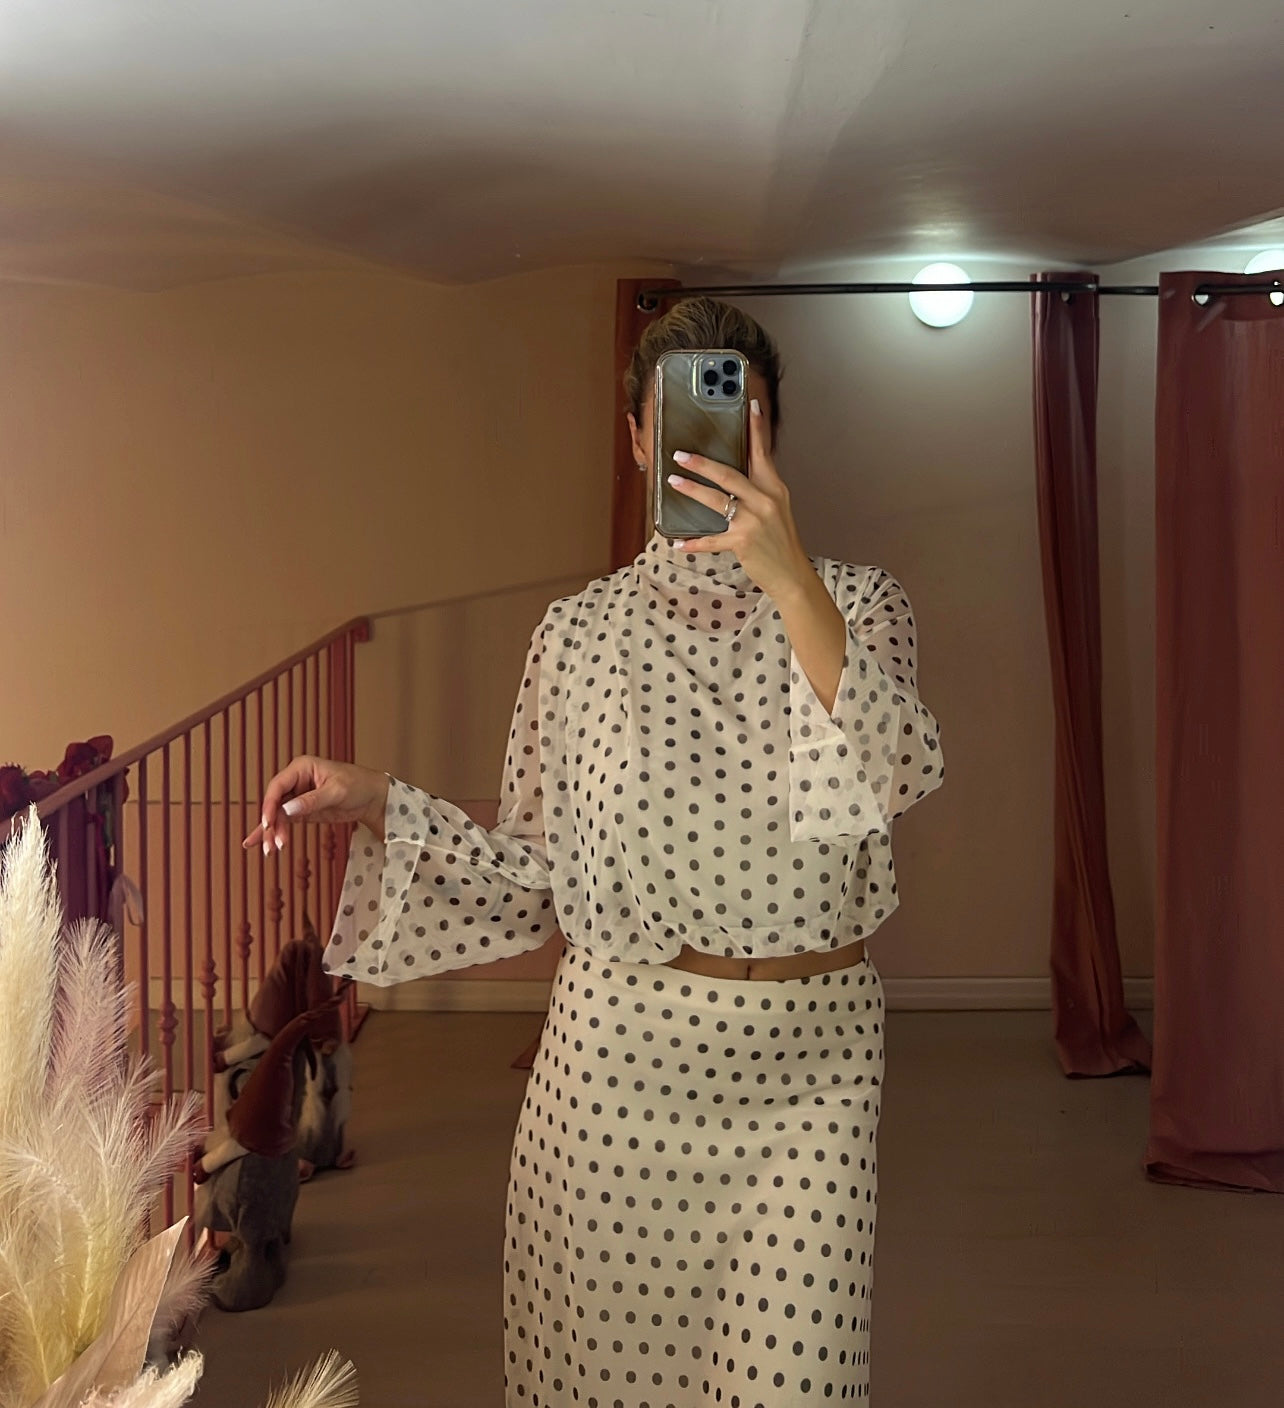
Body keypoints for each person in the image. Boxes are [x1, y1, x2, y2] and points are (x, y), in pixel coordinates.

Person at [246, 296, 944, 1406]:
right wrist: (382, 799)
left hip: (809, 1084)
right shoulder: (576, 635)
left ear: (771, 433)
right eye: (678, 426)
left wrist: (788, 578)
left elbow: (889, 775)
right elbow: (537, 877)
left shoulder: (858, 605)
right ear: (636, 440)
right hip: (615, 1086)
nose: (708, 450)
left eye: (740, 419)